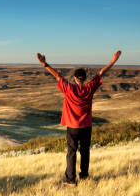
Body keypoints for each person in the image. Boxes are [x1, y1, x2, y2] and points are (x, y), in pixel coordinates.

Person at [36, 50, 122, 186]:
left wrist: (44, 64)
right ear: (85, 78)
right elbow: (101, 73)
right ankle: (84, 176)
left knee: (71, 152)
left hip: (73, 127)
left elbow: (57, 76)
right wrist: (113, 61)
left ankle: (70, 179)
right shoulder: (89, 88)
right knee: (85, 152)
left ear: (75, 79)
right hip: (86, 126)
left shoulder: (69, 88)